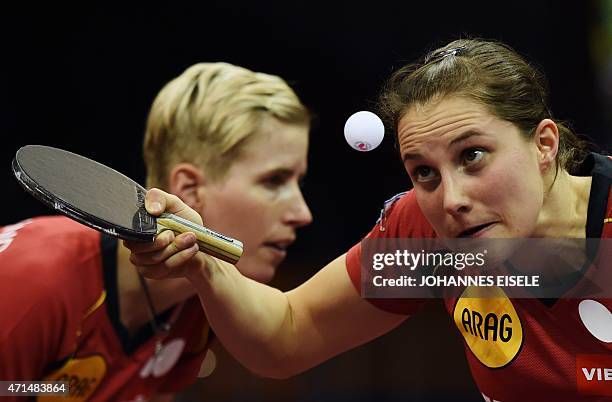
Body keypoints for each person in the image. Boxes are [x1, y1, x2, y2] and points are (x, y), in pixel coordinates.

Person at [127, 39, 612, 402]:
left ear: (544, 144)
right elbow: (286, 335)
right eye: (423, 172)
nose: (452, 198)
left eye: (473, 156)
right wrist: (202, 263)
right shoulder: (429, 237)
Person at [0, 62, 312, 401]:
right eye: (273, 181)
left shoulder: (199, 310)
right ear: (189, 190)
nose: (302, 213)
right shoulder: (32, 282)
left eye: (299, 182)